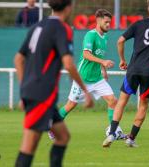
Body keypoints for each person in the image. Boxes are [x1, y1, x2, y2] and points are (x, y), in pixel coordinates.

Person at [14, 0, 93, 166]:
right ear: (68, 7)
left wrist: (24, 89)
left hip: (35, 91)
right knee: (28, 147)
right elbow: (69, 64)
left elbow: (18, 59)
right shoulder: (63, 29)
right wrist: (85, 91)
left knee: (63, 137)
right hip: (42, 94)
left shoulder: (38, 26)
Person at [102, 0, 149, 147]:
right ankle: (130, 138)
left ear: (148, 7)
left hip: (133, 69)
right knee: (143, 106)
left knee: (122, 101)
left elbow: (120, 41)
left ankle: (112, 134)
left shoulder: (138, 24)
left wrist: (122, 60)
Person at [48, 9, 126, 140]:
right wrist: (103, 62)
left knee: (113, 101)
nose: (108, 25)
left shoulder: (104, 37)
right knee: (70, 105)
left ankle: (113, 132)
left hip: (97, 78)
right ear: (99, 20)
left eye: (110, 22)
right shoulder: (91, 35)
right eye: (106, 22)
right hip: (82, 78)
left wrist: (103, 70)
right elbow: (86, 54)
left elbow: (99, 55)